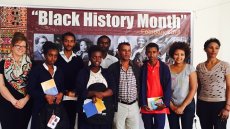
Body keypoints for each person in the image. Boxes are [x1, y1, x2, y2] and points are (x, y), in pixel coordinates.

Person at [27, 41, 65, 129]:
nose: (53, 58)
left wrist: (61, 94)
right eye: (50, 55)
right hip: (40, 110)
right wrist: (44, 96)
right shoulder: (36, 70)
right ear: (44, 55)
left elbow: (62, 87)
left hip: (55, 110)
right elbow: (30, 90)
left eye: (55, 56)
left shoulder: (59, 71)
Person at [76, 45, 115, 129]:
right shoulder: (83, 72)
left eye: (99, 57)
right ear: (89, 57)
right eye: (94, 57)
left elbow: (112, 89)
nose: (97, 60)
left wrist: (101, 94)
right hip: (89, 108)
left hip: (105, 109)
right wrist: (93, 93)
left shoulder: (107, 72)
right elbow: (80, 91)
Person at [0, 32, 32, 129]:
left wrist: (25, 100)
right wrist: (14, 101)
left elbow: (34, 86)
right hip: (7, 104)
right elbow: (1, 86)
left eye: (23, 46)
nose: (21, 48)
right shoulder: (2, 64)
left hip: (25, 104)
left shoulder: (32, 65)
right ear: (12, 46)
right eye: (18, 45)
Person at [196, 38, 230, 129]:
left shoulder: (225, 65)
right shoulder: (199, 67)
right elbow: (199, 87)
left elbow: (229, 86)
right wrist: (198, 106)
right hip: (203, 104)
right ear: (205, 49)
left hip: (219, 104)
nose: (214, 50)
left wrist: (227, 107)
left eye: (217, 48)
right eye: (211, 47)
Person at [55, 32, 84, 129]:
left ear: (75, 43)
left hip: (73, 97)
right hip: (58, 96)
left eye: (71, 41)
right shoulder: (56, 58)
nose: (69, 44)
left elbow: (81, 79)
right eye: (66, 41)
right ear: (62, 42)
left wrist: (75, 91)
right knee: (56, 123)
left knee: (70, 123)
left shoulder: (78, 60)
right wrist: (63, 91)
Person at [139, 43, 171, 129]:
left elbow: (168, 86)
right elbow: (140, 87)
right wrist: (143, 103)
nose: (152, 55)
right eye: (149, 52)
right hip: (146, 105)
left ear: (158, 53)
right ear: (146, 53)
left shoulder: (164, 67)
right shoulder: (143, 68)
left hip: (160, 104)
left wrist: (165, 103)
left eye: (154, 52)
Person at [108, 42, 140, 129]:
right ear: (118, 52)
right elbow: (110, 87)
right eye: (124, 50)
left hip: (134, 105)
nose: (127, 53)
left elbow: (139, 85)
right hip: (119, 105)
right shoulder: (112, 68)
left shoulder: (136, 67)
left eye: (129, 50)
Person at [167, 42, 197, 129]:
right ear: (172, 54)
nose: (179, 57)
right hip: (171, 104)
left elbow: (193, 89)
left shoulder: (190, 68)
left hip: (187, 105)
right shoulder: (167, 69)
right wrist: (171, 106)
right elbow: (164, 89)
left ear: (185, 55)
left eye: (182, 54)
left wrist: (182, 107)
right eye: (176, 54)